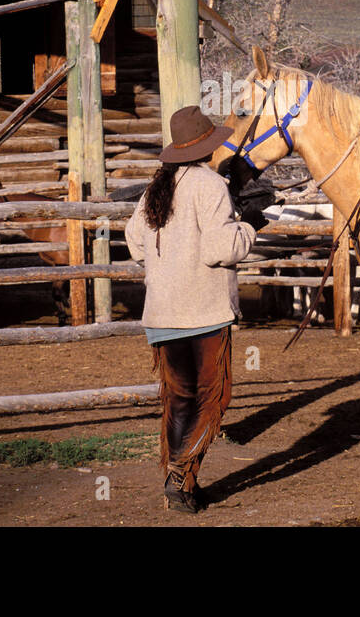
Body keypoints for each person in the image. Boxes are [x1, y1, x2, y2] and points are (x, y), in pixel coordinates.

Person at [125, 105, 268, 513]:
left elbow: (135, 242)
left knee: (179, 399)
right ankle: (180, 475)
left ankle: (182, 481)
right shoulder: (209, 184)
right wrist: (250, 227)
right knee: (214, 397)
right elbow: (220, 248)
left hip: (162, 311)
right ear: (208, 146)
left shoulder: (155, 188)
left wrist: (167, 262)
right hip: (203, 310)